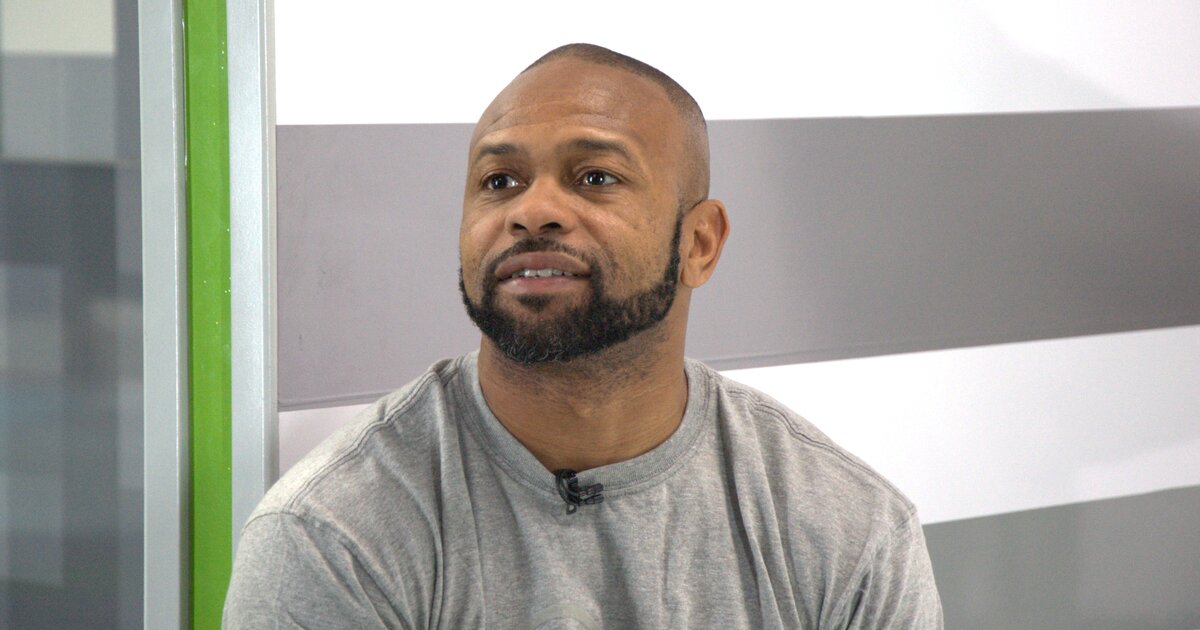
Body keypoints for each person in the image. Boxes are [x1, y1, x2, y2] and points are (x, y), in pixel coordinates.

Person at [224, 43, 943, 628]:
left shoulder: (847, 531)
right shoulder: (332, 535)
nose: (532, 210)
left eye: (595, 176)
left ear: (699, 244)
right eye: (500, 181)